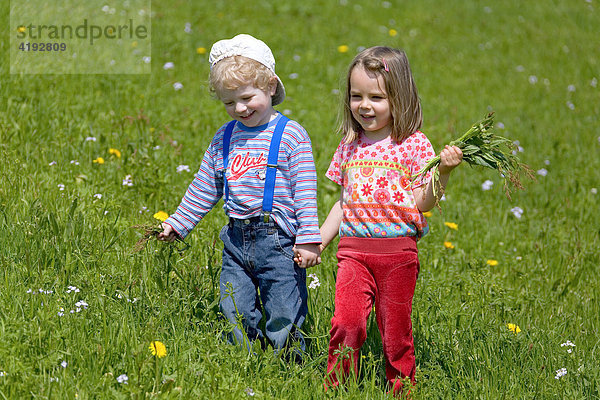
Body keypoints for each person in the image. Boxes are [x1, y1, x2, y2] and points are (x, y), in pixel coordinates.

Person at [158, 34, 321, 352]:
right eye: (229, 102)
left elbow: (305, 190)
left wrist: (309, 239)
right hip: (235, 240)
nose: (240, 108)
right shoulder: (225, 137)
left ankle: (289, 367)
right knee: (234, 308)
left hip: (280, 243)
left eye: (247, 97)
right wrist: (178, 223)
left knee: (284, 313)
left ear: (271, 87)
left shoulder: (290, 135)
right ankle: (246, 362)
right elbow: (205, 184)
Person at [319, 46, 463, 393]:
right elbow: (343, 202)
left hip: (398, 254)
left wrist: (442, 172)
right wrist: (319, 239)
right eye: (356, 96)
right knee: (347, 322)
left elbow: (422, 202)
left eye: (376, 97)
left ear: (399, 98)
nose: (364, 105)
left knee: (395, 330)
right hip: (353, 252)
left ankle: (402, 388)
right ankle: (336, 388)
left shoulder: (413, 145)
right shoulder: (350, 144)